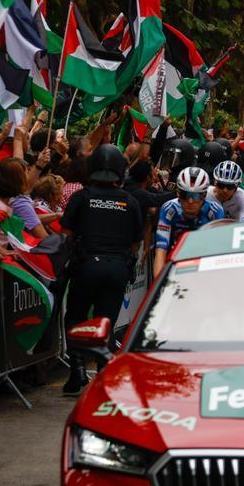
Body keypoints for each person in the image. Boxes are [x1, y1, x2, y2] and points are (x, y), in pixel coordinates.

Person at [60, 144, 144, 394]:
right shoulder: (130, 201)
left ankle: (77, 371)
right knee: (106, 321)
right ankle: (104, 374)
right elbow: (136, 241)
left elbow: (66, 232)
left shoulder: (81, 197)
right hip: (117, 267)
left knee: (75, 316)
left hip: (86, 266)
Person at [153, 167, 225, 279]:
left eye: (196, 196)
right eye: (185, 195)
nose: (190, 201)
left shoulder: (215, 211)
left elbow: (219, 253)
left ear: (204, 196)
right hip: (174, 264)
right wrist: (158, 288)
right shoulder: (169, 209)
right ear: (177, 193)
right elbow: (161, 251)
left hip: (203, 265)